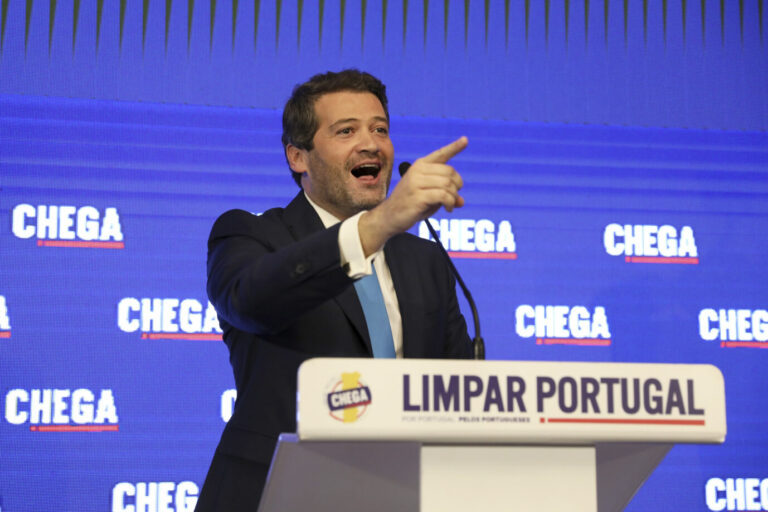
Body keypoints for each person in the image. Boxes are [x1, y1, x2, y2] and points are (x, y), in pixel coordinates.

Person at [195, 69, 473, 511]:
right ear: (298, 157)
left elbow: (462, 396)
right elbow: (253, 301)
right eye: (346, 131)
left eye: (380, 129)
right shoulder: (248, 235)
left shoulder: (427, 262)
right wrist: (377, 226)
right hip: (279, 496)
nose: (371, 143)